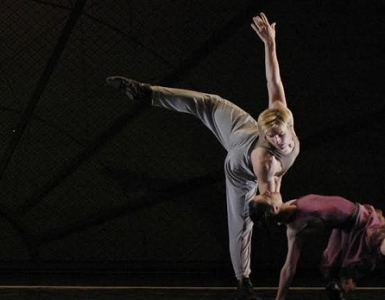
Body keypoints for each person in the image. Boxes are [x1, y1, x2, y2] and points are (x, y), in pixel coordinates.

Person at [106, 13, 299, 300]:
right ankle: (147, 93)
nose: (278, 140)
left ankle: (241, 280)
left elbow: (274, 79)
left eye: (280, 135)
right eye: (271, 136)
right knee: (209, 105)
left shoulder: (281, 113)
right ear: (266, 132)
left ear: (285, 123)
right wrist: (272, 205)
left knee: (214, 105)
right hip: (242, 159)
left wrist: (269, 43)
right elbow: (270, 194)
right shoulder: (265, 159)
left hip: (244, 137)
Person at [249, 192, 385, 300]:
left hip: (364, 218)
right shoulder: (294, 230)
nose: (269, 191)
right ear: (274, 209)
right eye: (266, 196)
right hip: (349, 233)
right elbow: (289, 268)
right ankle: (337, 286)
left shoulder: (292, 202)